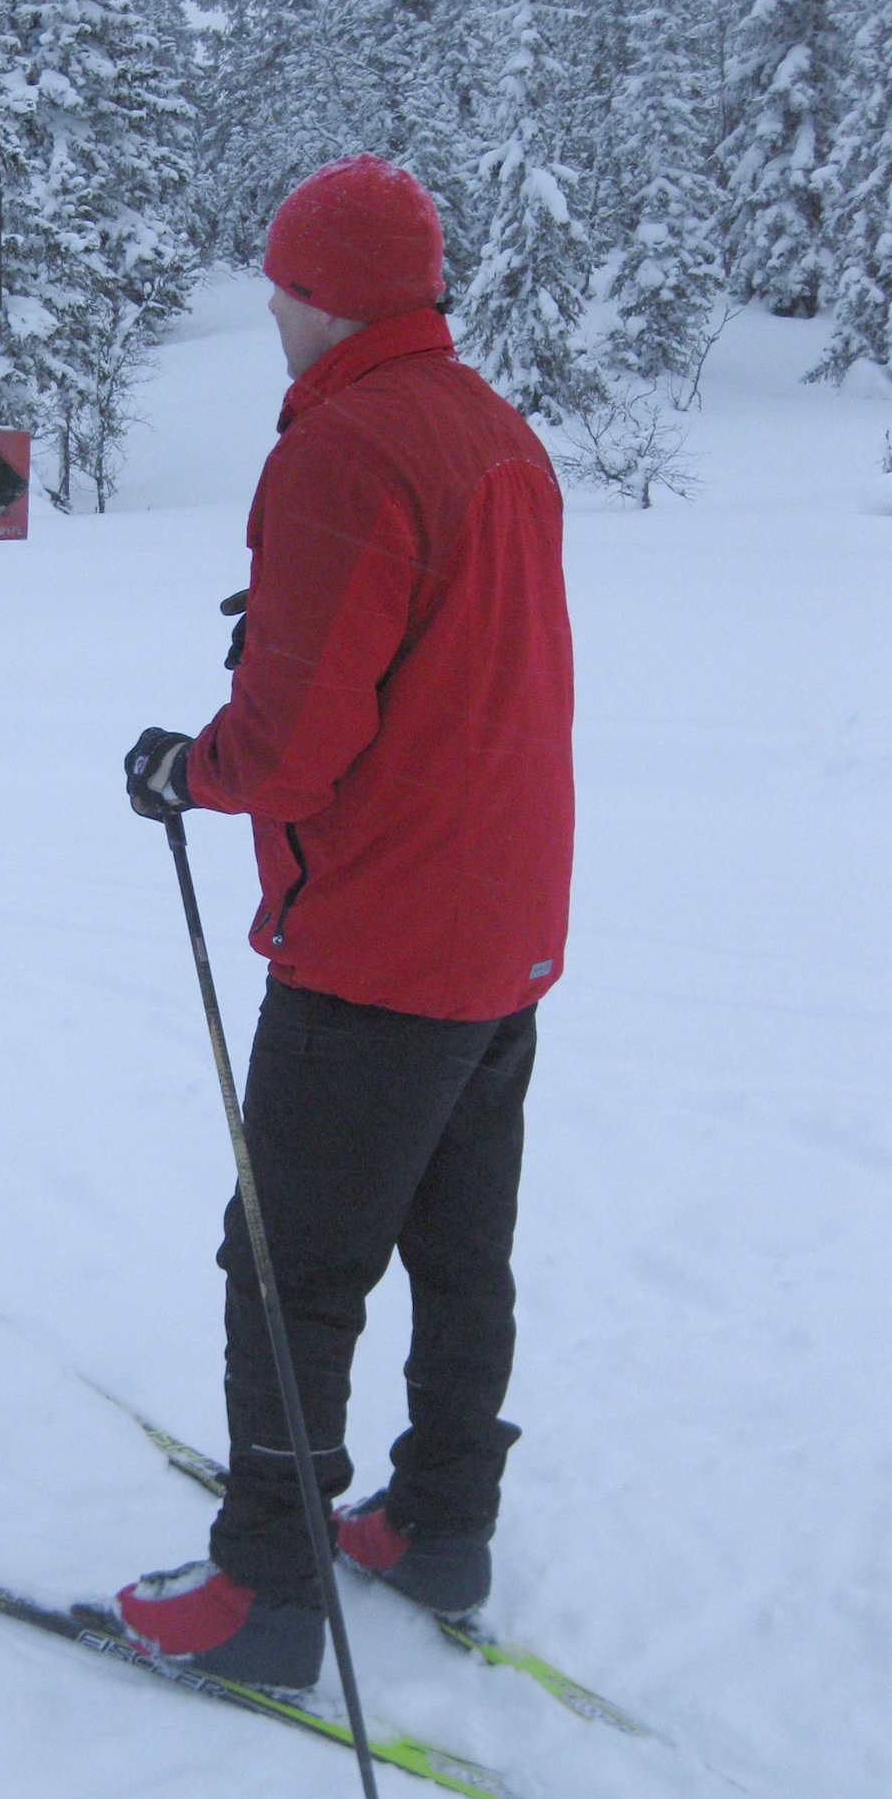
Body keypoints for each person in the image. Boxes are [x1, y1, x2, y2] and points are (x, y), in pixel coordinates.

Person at [117, 155, 575, 1691]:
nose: (272, 310)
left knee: (290, 1262)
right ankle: (443, 1520)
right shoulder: (495, 433)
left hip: (381, 938)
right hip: (501, 928)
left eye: (282, 289)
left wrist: (193, 766)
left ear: (321, 296)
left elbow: (297, 741)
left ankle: (266, 1590)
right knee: (459, 1249)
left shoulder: (344, 450)